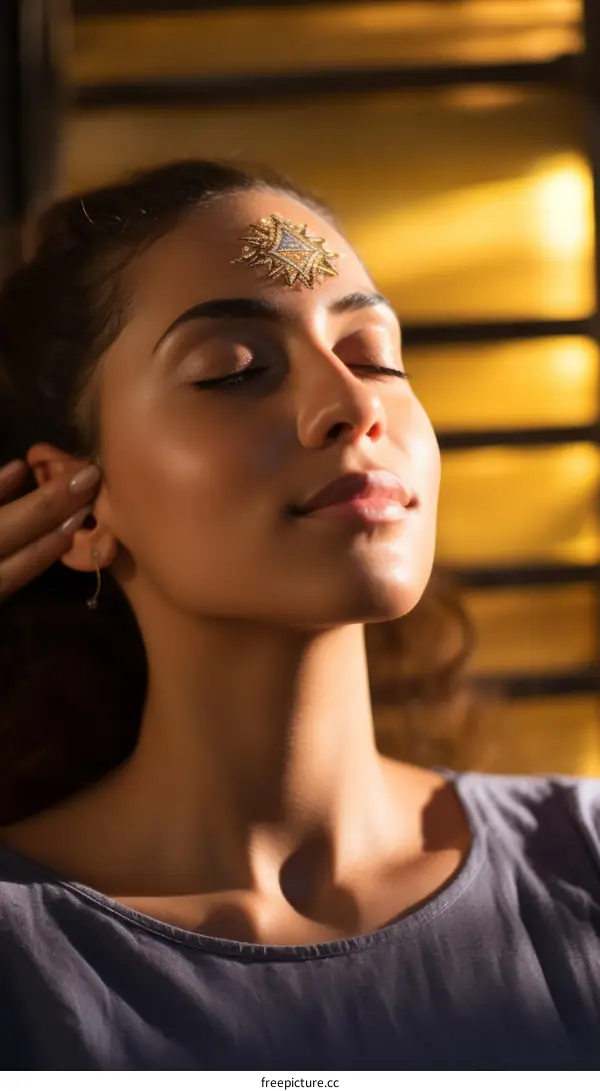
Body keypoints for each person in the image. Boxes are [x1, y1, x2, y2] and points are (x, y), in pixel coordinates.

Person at [0, 159, 598, 1072]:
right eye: (234, 370)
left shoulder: (583, 864)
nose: (355, 405)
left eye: (373, 355)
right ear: (75, 503)